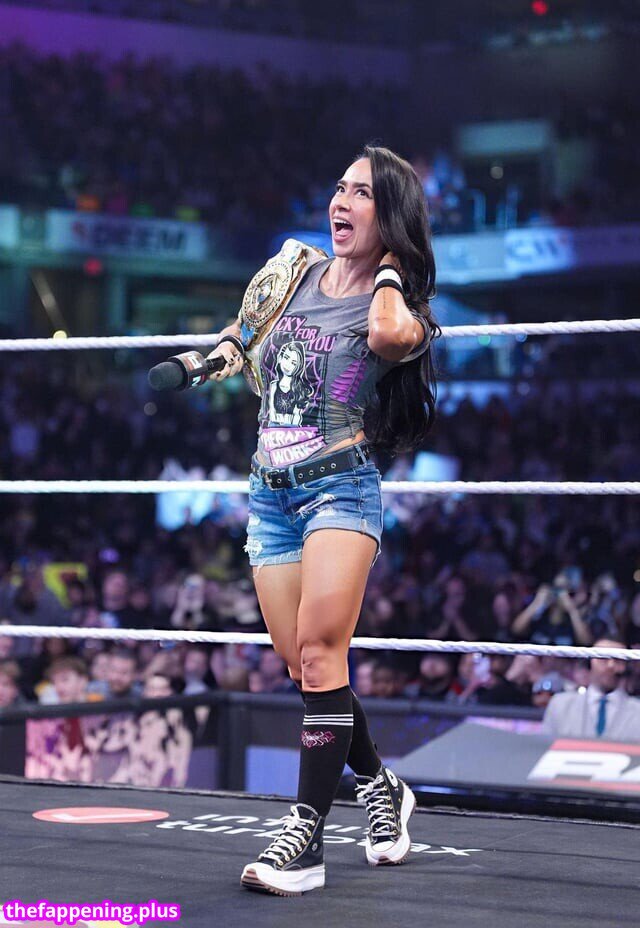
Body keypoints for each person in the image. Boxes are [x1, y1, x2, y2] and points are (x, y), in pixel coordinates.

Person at [205, 145, 438, 895]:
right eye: (339, 188)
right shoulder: (295, 272)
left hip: (340, 489)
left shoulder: (398, 308)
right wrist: (213, 353)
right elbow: (246, 332)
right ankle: (381, 785)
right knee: (302, 662)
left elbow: (389, 339)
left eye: (362, 194)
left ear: (390, 214)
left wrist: (392, 266)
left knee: (320, 650)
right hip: (270, 492)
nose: (341, 201)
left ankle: (304, 838)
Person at [542, 638, 640, 740]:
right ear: (590, 663)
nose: (611, 665)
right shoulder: (560, 705)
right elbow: (545, 746)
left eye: (618, 660)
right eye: (603, 658)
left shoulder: (638, 711)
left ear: (626, 666)